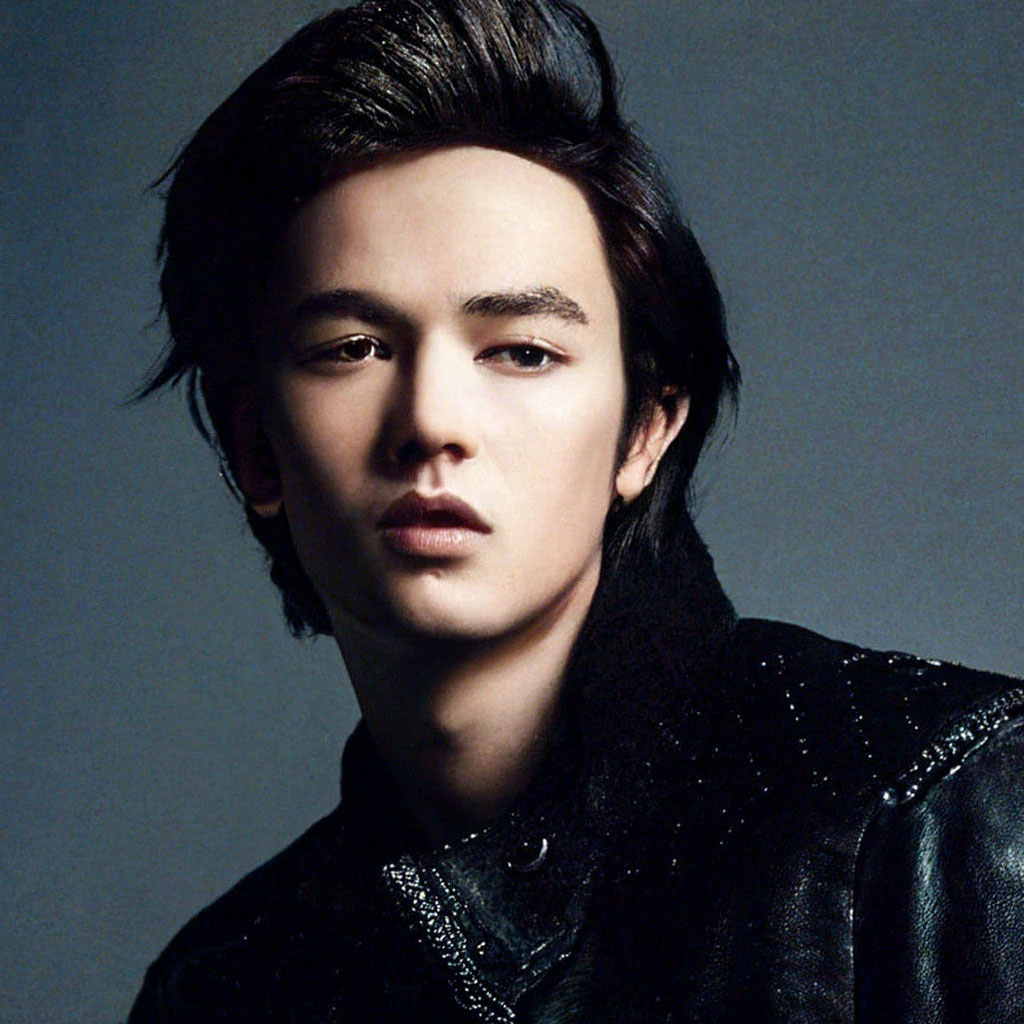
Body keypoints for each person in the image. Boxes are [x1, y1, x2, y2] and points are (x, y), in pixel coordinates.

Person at [128, 0, 1024, 1020]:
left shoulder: (940, 815)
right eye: (353, 349)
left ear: (643, 432)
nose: (431, 422)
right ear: (256, 449)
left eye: (523, 351)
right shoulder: (225, 987)